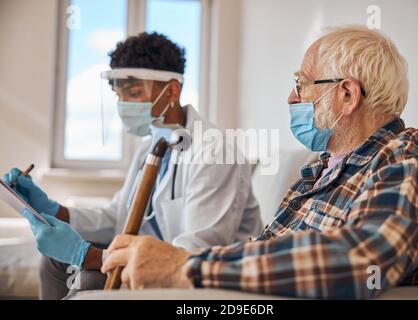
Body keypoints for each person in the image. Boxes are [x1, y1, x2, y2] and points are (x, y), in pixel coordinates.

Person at [100, 26, 418, 299]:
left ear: (347, 95)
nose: (291, 97)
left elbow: (357, 263)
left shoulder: (403, 163)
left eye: (302, 84)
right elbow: (264, 252)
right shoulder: (319, 171)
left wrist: (187, 267)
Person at [3, 32, 262, 299]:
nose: (123, 105)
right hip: (154, 259)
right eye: (118, 96)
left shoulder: (216, 150)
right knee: (55, 262)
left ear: (172, 90)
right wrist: (55, 210)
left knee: (89, 277)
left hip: (198, 276)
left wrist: (90, 256)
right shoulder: (151, 147)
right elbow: (119, 217)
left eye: (134, 93)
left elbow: (194, 252)